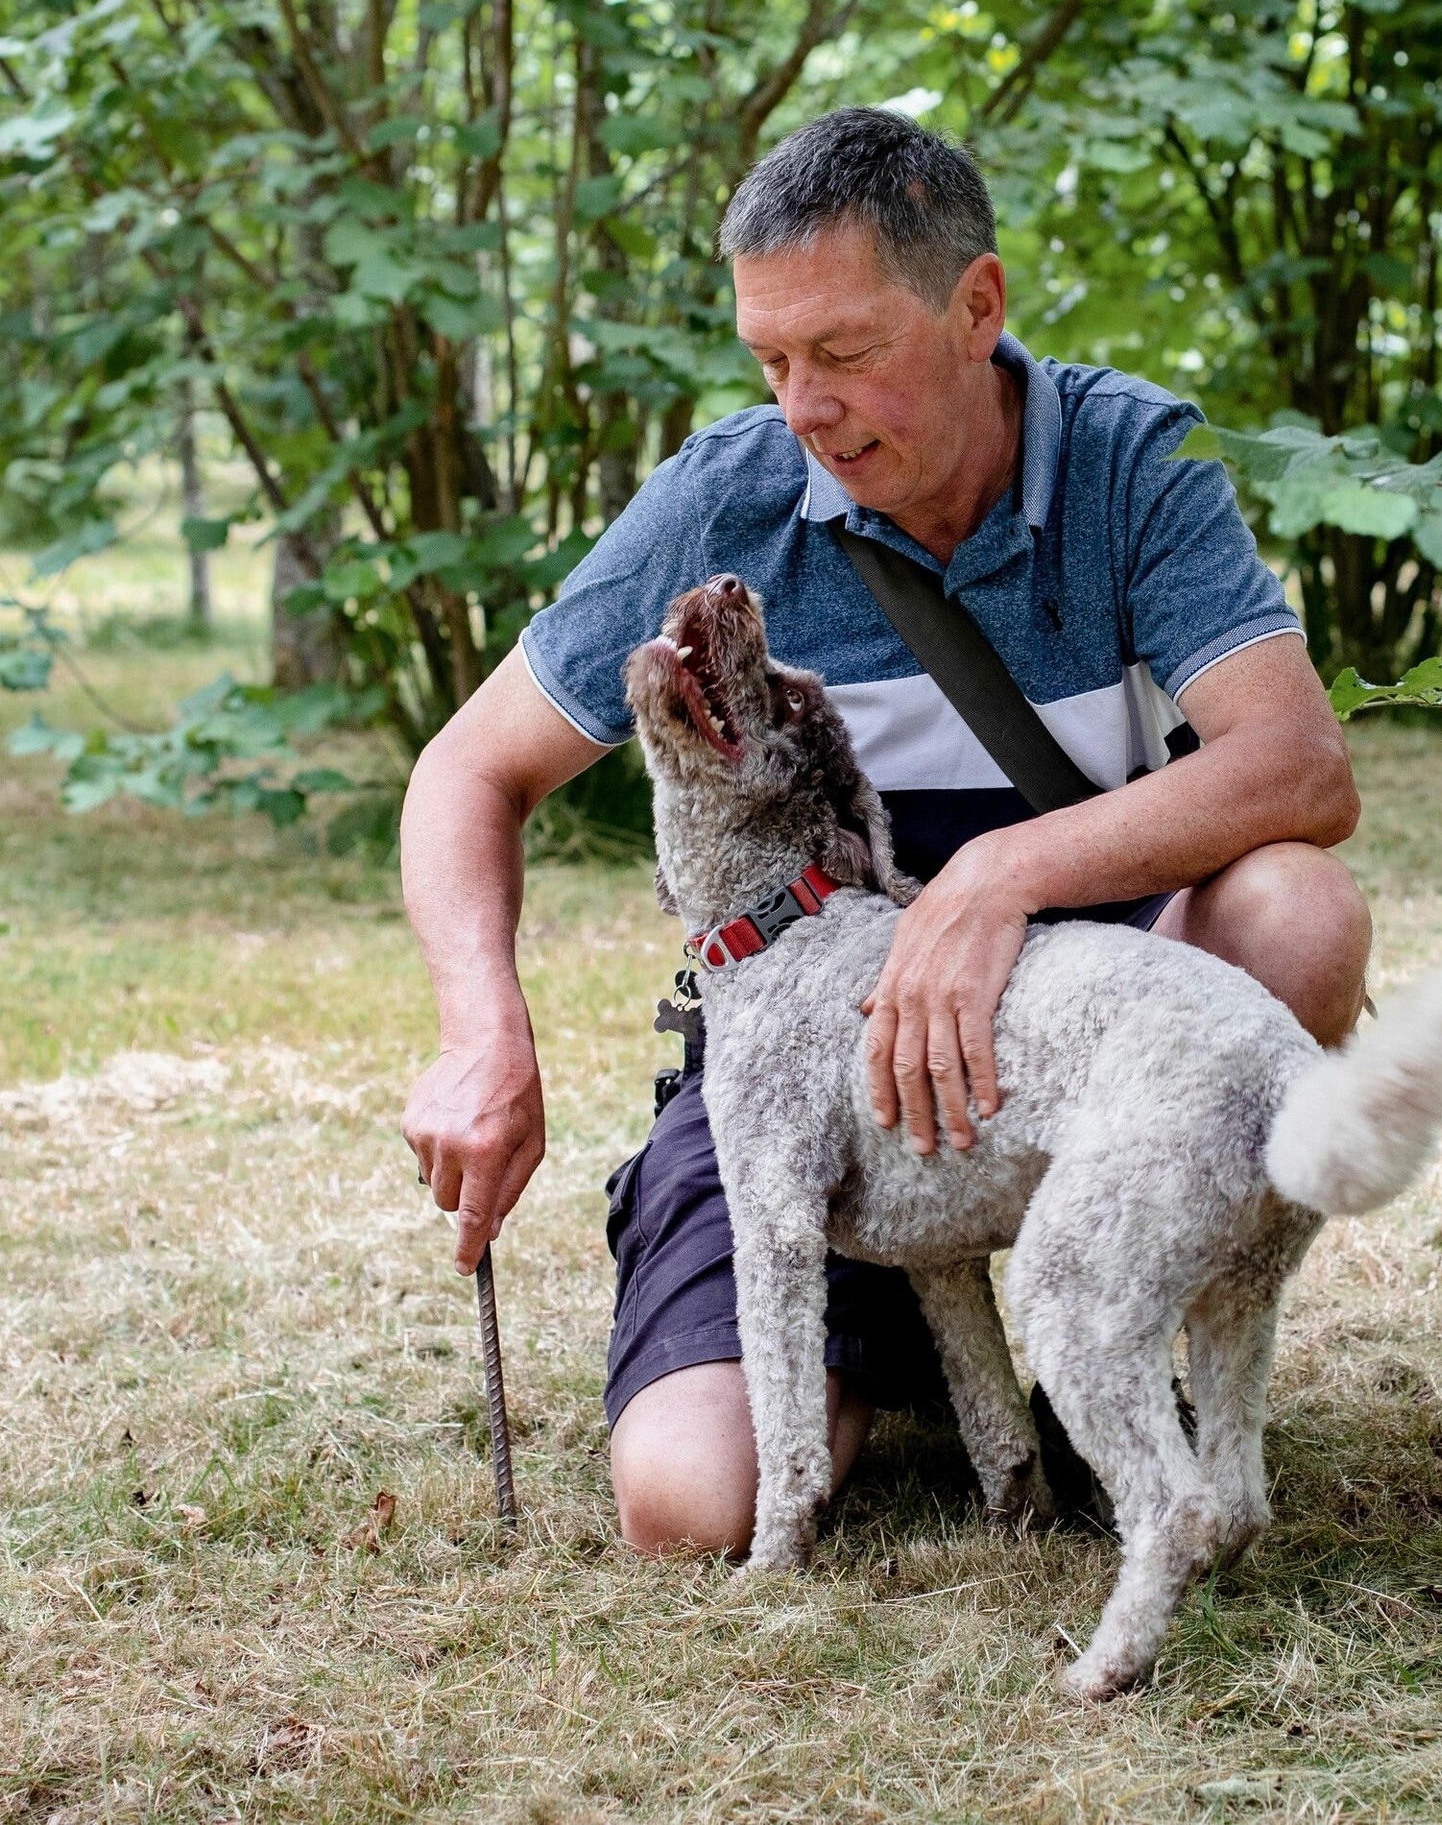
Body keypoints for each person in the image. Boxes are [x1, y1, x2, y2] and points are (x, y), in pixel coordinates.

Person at [397, 106, 1370, 1556]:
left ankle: (1106, 1314)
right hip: (812, 1087)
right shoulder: (726, 496)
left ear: (977, 307)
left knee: (1299, 910)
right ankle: (898, 1322)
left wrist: (997, 876)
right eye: (772, 361)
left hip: (1079, 1061)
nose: (805, 404)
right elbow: (466, 774)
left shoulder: (1130, 464)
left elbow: (1299, 767)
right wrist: (484, 1029)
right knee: (687, 1504)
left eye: (843, 354)